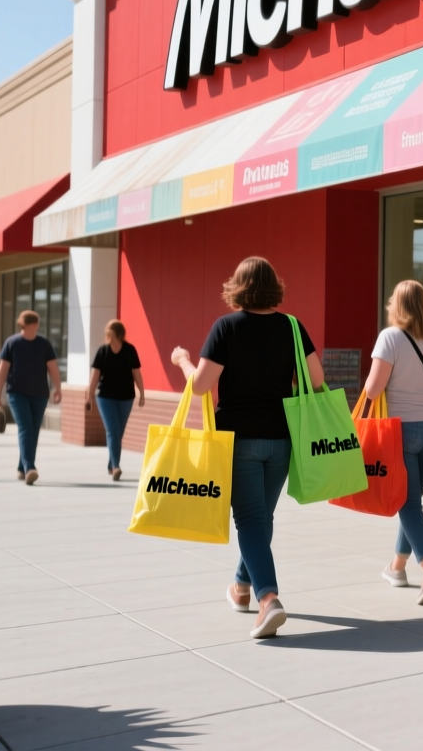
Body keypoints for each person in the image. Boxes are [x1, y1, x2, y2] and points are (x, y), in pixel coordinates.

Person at [172, 256, 325, 640]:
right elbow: (317, 378)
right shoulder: (292, 327)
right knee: (261, 519)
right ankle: (241, 586)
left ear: (237, 286)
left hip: (238, 439)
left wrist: (183, 361)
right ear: (275, 286)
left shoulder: (226, 327)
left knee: (252, 522)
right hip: (281, 439)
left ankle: (268, 599)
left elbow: (202, 386)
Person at [361, 280, 423, 606]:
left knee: (407, 504)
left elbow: (373, 389)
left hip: (398, 432)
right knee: (411, 501)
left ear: (396, 305)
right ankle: (397, 567)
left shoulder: (389, 338)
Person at [0, 311, 62, 485]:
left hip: (40, 394)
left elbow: (52, 367)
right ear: (31, 324)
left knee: (33, 431)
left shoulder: (44, 344)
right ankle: (30, 467)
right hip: (17, 393)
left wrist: (58, 388)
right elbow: (3, 370)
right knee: (26, 429)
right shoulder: (12, 343)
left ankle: (21, 467)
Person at [86, 319, 145, 481]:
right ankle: (116, 466)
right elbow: (95, 376)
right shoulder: (103, 350)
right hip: (105, 397)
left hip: (126, 397)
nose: (107, 334)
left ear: (118, 333)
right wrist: (89, 395)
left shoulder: (130, 350)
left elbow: (136, 373)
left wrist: (142, 392)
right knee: (112, 430)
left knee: (118, 433)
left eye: (109, 332)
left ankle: (111, 464)